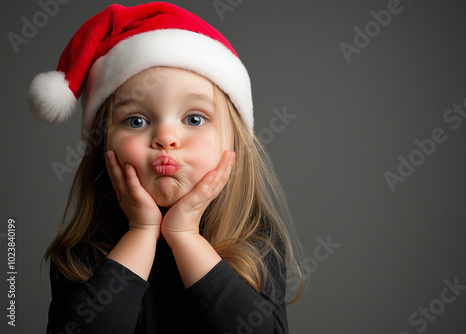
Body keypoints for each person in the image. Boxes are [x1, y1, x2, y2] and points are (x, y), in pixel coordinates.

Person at [29, 3, 303, 333]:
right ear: (104, 145)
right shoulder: (83, 253)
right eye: (136, 120)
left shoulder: (256, 243)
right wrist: (141, 232)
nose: (166, 138)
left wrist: (185, 236)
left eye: (194, 119)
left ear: (234, 144)